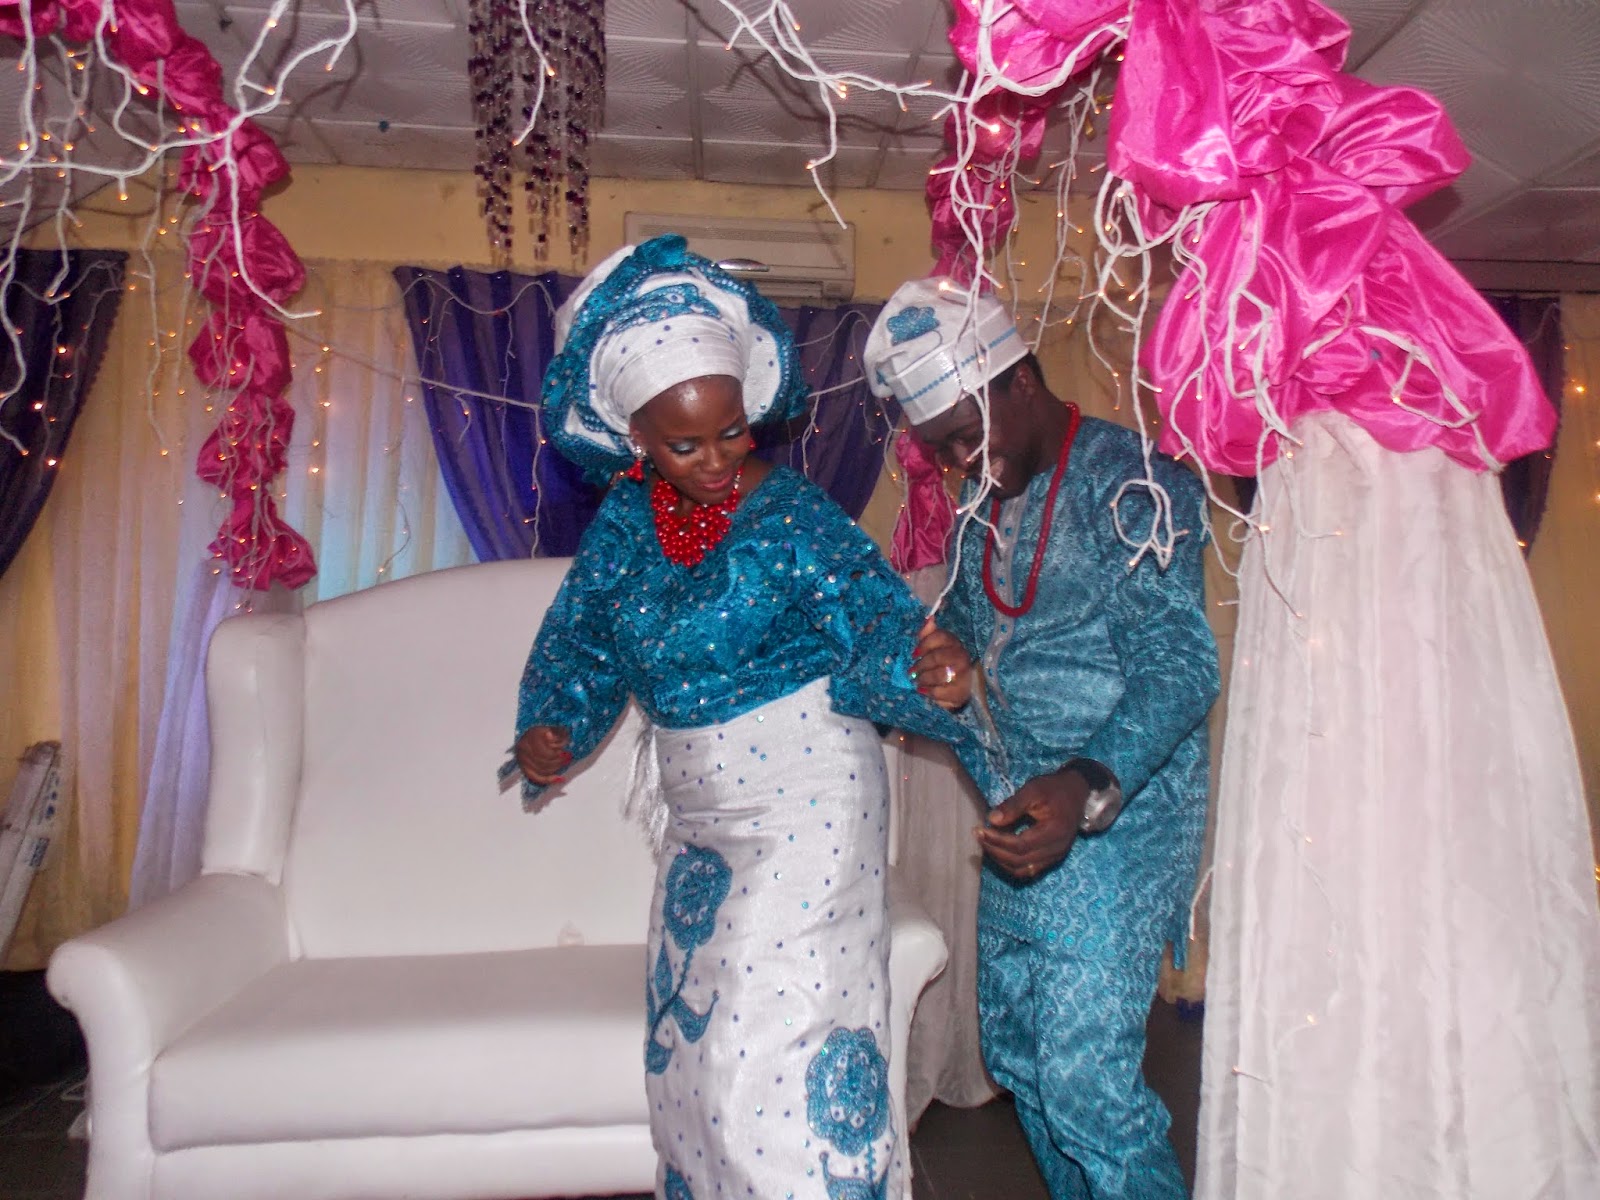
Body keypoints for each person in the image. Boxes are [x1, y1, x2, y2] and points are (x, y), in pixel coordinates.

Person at [511, 236, 992, 1200]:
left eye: (732, 432)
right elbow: (585, 643)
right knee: (690, 1062)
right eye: (684, 445)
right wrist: (551, 728)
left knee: (765, 1055)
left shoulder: (793, 514)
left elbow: (875, 624)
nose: (718, 460)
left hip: (810, 803)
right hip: (697, 821)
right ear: (635, 439)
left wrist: (928, 670)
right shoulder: (622, 528)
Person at [864, 278, 1220, 1200]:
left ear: (1019, 381)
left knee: (1087, 1087)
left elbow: (1182, 666)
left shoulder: (1133, 485)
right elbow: (968, 622)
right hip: (1017, 812)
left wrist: (1084, 782)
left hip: (1115, 818)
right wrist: (938, 656)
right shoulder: (987, 497)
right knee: (1018, 1053)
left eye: (964, 435)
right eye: (941, 446)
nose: (957, 461)